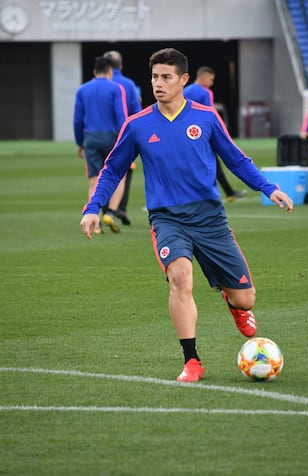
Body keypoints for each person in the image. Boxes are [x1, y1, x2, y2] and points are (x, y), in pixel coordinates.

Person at [80, 48, 293, 383]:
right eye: (154, 77)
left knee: (246, 297)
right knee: (180, 279)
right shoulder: (137, 125)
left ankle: (233, 302)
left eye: (166, 77)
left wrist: (268, 187)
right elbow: (111, 170)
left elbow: (236, 160)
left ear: (183, 80)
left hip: (210, 219)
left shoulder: (206, 117)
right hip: (167, 220)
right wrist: (93, 207)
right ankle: (192, 361)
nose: (158, 83)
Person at [73, 55, 128, 233]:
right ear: (110, 71)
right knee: (119, 175)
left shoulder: (82, 90)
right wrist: (125, 141)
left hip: (91, 138)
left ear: (94, 71)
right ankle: (110, 213)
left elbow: (77, 120)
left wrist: (80, 142)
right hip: (111, 136)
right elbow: (122, 117)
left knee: (93, 180)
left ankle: (94, 221)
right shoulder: (116, 88)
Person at [184, 66, 247, 201]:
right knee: (214, 162)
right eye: (211, 80)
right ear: (205, 77)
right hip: (202, 133)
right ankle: (221, 193)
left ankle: (228, 192)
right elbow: (210, 115)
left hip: (185, 133)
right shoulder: (205, 92)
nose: (211, 83)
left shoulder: (185, 90)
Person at [103, 50, 143, 225]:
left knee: (103, 172)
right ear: (121, 65)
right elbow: (137, 111)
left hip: (99, 135)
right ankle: (120, 208)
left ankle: (105, 208)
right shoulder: (128, 84)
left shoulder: (97, 84)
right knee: (125, 172)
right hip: (123, 135)